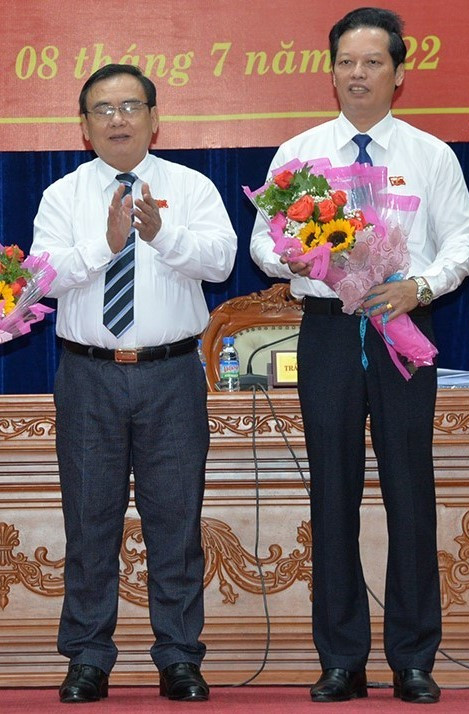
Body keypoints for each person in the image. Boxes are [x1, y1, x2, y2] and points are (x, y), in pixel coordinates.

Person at [250, 7, 469, 705]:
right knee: (332, 490)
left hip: (401, 328)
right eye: (346, 62)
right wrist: (296, 259)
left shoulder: (431, 155)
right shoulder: (298, 154)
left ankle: (413, 658)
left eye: (373, 62)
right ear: (331, 72)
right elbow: (261, 243)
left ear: (398, 74)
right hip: (326, 330)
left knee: (411, 490)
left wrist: (420, 286)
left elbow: (462, 241)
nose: (358, 74)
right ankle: (341, 658)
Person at [31, 63, 237, 703]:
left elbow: (222, 260)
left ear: (154, 118)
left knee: (175, 521)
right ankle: (88, 657)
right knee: (89, 519)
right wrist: (106, 243)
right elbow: (42, 276)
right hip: (88, 376)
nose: (117, 119)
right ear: (84, 125)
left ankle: (179, 657)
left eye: (130, 107)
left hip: (171, 374)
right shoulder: (63, 195)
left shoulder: (192, 187)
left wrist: (161, 234)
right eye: (103, 109)